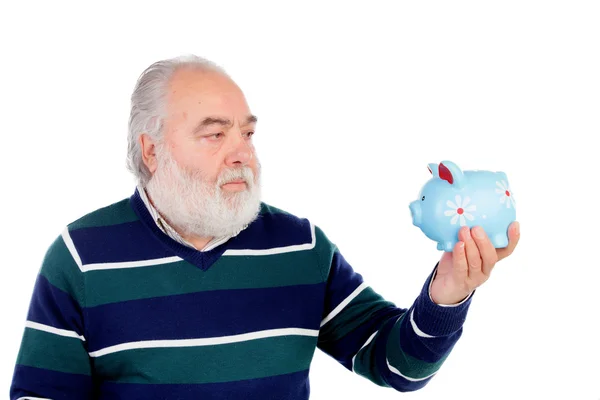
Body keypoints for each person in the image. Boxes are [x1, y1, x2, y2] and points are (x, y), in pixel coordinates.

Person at [10, 54, 520, 400]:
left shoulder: (302, 247)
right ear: (152, 149)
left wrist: (448, 293)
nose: (243, 153)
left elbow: (395, 366)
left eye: (247, 132)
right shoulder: (81, 256)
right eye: (215, 134)